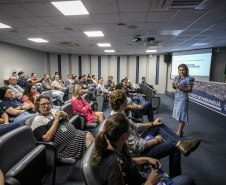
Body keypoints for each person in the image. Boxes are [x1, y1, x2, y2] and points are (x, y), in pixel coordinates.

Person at [109, 90, 201, 178]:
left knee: (158, 126)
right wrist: (156, 141)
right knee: (174, 147)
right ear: (122, 105)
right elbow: (137, 146)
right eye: (126, 100)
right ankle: (175, 178)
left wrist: (152, 124)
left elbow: (134, 126)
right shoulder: (119, 123)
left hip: (138, 140)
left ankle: (180, 143)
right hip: (139, 153)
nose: (128, 102)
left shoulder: (119, 114)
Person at [92, 113, 196, 185]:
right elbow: (121, 164)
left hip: (137, 178)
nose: (131, 131)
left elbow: (126, 160)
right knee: (187, 180)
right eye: (130, 129)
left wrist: (146, 159)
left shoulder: (115, 144)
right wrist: (149, 183)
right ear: (124, 136)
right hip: (144, 182)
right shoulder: (113, 167)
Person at [172, 64, 195, 137]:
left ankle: (179, 132)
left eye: (183, 70)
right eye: (180, 70)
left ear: (186, 70)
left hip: (183, 99)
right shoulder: (177, 78)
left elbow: (190, 90)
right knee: (178, 116)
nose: (181, 71)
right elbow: (175, 88)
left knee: (181, 116)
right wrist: (173, 86)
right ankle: (180, 131)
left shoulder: (189, 78)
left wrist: (180, 87)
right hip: (177, 98)